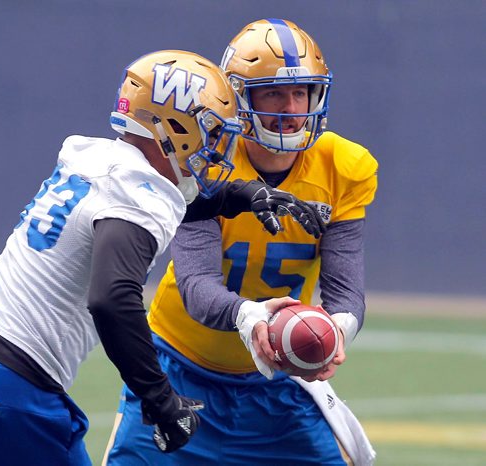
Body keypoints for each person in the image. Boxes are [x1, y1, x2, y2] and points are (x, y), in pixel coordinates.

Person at [0, 49, 326, 466]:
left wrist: (243, 195)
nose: (218, 147)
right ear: (176, 129)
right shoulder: (139, 193)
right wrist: (160, 399)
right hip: (12, 387)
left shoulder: (94, 157)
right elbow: (112, 300)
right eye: (212, 131)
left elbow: (163, 207)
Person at [104, 19, 378, 466]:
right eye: (272, 93)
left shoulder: (343, 166)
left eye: (301, 91)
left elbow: (346, 290)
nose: (290, 107)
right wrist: (250, 319)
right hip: (180, 371)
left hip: (279, 386)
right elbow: (196, 284)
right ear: (239, 97)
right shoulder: (209, 156)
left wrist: (333, 332)